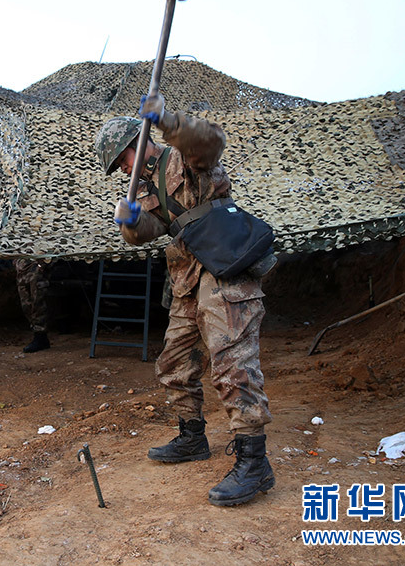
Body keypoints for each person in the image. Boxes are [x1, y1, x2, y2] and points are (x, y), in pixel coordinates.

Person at [94, 95, 274, 507]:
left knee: (233, 363)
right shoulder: (143, 187)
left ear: (134, 143)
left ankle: (254, 462)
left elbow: (211, 142)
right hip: (187, 277)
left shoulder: (183, 156)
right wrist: (130, 222)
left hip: (223, 267)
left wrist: (167, 120)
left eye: (122, 160)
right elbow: (151, 230)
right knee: (175, 362)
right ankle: (192, 437)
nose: (123, 169)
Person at [14, 258, 51, 353]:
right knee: (26, 305)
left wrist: (42, 265)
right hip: (22, 270)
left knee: (38, 303)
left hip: (36, 268)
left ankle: (40, 336)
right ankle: (38, 333)